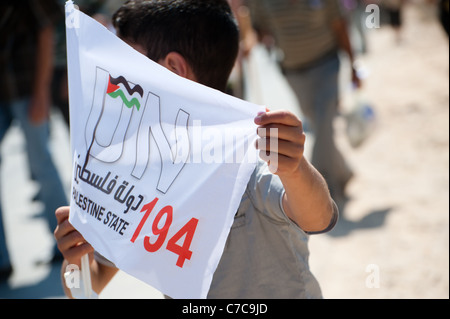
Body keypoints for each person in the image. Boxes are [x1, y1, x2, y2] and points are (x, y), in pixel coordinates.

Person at [54, 0, 338, 299]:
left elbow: (317, 218)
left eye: (127, 64)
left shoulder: (248, 150)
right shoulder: (139, 170)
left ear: (173, 68)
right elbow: (87, 287)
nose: (117, 77)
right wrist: (76, 260)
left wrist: (295, 169)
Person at [244, 0, 359, 201]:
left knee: (324, 123)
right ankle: (343, 171)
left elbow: (339, 25)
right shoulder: (262, 3)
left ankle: (321, 189)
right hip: (293, 73)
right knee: (321, 125)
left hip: (327, 65)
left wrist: (353, 65)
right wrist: (249, 43)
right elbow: (261, 30)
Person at [0, 0, 68, 280]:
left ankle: (67, 245)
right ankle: (2, 262)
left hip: (27, 85)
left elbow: (46, 29)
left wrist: (41, 92)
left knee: (40, 162)